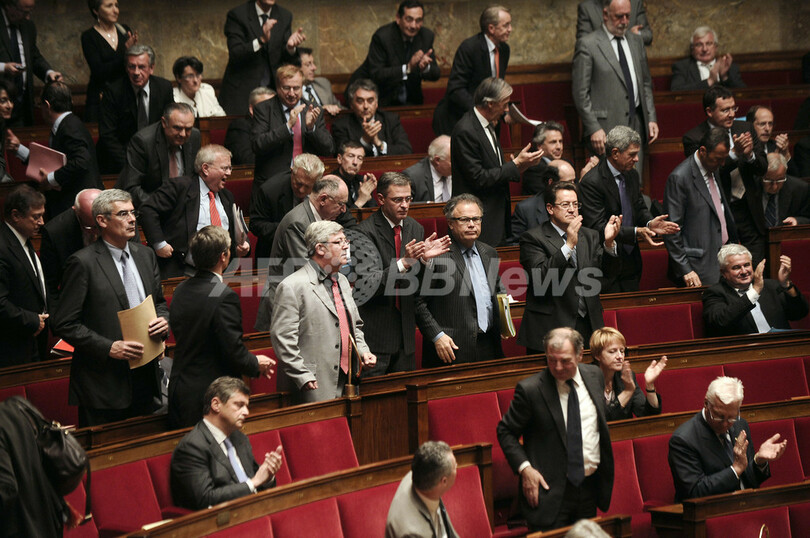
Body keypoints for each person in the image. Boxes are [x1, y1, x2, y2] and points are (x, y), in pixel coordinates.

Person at [52, 189, 169, 427]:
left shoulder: (145, 255)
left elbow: (159, 302)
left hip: (145, 378)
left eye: (133, 213)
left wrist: (164, 320)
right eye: (123, 214)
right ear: (102, 221)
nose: (132, 219)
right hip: (103, 385)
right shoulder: (82, 263)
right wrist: (109, 347)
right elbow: (64, 323)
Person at [497, 328, 614, 532]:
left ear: (580, 354)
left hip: (589, 488)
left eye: (565, 361)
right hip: (549, 494)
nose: (558, 367)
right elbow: (506, 431)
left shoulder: (594, 375)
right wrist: (525, 469)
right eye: (552, 360)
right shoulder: (531, 390)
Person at [168, 227, 276, 428]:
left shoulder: (181, 289)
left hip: (181, 389)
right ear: (223, 257)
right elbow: (233, 350)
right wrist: (255, 362)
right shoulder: (225, 296)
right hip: (211, 394)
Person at [270, 221, 376, 403]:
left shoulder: (342, 281)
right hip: (312, 384)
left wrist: (363, 351)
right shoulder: (292, 286)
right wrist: (302, 374)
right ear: (320, 248)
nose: (346, 246)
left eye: (346, 241)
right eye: (338, 242)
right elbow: (283, 339)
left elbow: (354, 326)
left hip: (349, 379)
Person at [357, 172, 450, 375]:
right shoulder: (364, 232)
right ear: (380, 199)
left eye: (408, 199)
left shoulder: (415, 228)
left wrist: (425, 261)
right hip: (375, 339)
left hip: (406, 337)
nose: (405, 205)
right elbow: (367, 286)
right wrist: (404, 263)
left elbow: (417, 287)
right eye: (397, 200)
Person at [518, 182, 620, 351]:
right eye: (565, 205)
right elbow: (541, 279)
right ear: (550, 208)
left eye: (575, 204)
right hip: (551, 327)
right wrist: (569, 245)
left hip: (589, 324)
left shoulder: (590, 235)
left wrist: (609, 244)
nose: (572, 210)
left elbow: (607, 278)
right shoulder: (533, 238)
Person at [579, 126, 679, 292]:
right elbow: (597, 226)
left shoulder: (632, 174)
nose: (637, 159)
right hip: (605, 263)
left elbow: (639, 206)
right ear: (615, 153)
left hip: (631, 260)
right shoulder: (592, 182)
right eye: (632, 154)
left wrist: (649, 223)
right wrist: (636, 232)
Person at [254, 176, 355, 330]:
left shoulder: (322, 218)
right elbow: (309, 269)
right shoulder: (298, 223)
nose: (344, 210)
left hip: (308, 300)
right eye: (340, 204)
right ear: (323, 199)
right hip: (287, 307)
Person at [451, 77, 544, 246]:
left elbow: (495, 169)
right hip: (479, 221)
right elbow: (479, 178)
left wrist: (522, 166)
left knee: (497, 262)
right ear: (490, 104)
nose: (507, 110)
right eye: (505, 104)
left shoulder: (489, 124)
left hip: (496, 216)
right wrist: (515, 165)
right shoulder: (466, 130)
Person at [416, 194, 504, 367]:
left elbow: (497, 290)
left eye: (476, 219)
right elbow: (417, 303)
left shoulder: (489, 253)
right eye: (464, 219)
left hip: (489, 344)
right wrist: (437, 336)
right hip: (450, 348)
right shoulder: (437, 255)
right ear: (450, 223)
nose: (472, 224)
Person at [170, 376, 284, 510]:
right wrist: (253, 482)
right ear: (216, 405)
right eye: (239, 405)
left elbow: (256, 480)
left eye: (246, 406)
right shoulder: (193, 446)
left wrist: (268, 476)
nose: (246, 412)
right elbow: (204, 499)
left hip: (254, 509)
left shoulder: (239, 438)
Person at [668, 376, 787, 502]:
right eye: (719, 417)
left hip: (747, 504)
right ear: (706, 404)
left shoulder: (740, 424)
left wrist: (759, 461)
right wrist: (735, 470)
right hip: (713, 510)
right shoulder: (683, 440)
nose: (725, 424)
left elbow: (750, 481)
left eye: (731, 417)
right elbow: (694, 493)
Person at [139, 144, 250, 279]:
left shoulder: (227, 196)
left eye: (230, 168)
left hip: (220, 273)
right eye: (224, 168)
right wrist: (159, 244)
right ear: (205, 169)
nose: (229, 173)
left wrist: (244, 245)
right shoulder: (179, 187)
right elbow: (148, 210)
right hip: (183, 271)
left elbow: (237, 228)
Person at [572, 0, 658, 165]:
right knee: (610, 179)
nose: (624, 21)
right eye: (619, 16)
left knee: (635, 179)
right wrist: (594, 127)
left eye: (627, 16)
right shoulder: (588, 44)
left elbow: (645, 83)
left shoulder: (636, 41)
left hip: (636, 125)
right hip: (605, 129)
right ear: (605, 15)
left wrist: (651, 118)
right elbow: (580, 93)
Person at [664, 127, 739, 287]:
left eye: (724, 159)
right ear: (703, 151)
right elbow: (672, 231)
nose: (722, 164)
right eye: (718, 159)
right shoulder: (679, 178)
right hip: (697, 267)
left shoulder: (713, 167)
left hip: (724, 258)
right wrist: (685, 269)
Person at [251, 64, 333, 203]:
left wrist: (311, 128)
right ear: (277, 87)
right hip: (273, 184)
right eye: (286, 88)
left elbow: (328, 148)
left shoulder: (313, 109)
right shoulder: (264, 109)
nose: (292, 93)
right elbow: (258, 145)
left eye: (296, 88)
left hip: (306, 184)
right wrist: (288, 126)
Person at [27, 81, 102, 219]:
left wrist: (50, 178)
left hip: (78, 204)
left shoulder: (69, 127)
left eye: (40, 105)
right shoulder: (69, 123)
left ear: (47, 105)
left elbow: (81, 161)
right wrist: (18, 149)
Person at [432, 5, 511, 135]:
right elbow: (456, 89)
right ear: (491, 28)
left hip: (488, 119)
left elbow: (496, 87)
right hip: (460, 118)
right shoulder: (469, 48)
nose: (510, 29)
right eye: (506, 25)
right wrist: (481, 112)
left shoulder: (504, 50)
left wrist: (503, 112)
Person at [96, 44, 174, 174]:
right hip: (120, 160)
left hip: (154, 159)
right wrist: (129, 165)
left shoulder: (164, 88)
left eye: (141, 67)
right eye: (132, 67)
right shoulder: (113, 91)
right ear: (126, 68)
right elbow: (108, 135)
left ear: (151, 68)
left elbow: (168, 125)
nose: (136, 72)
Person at [219, 0, 304, 116]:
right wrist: (261, 40)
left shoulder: (284, 15)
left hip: (273, 92)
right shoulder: (238, 15)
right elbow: (236, 52)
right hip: (242, 93)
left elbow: (286, 62)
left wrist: (290, 48)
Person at [702, 244, 808, 337]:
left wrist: (786, 285)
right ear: (723, 273)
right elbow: (721, 322)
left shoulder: (771, 286)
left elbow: (799, 313)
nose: (744, 271)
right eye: (736, 267)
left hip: (781, 347)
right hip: (747, 350)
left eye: (747, 265)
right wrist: (755, 291)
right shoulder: (715, 293)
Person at [0, 396, 69, 538]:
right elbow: (50, 463)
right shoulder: (20, 406)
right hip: (47, 518)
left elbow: (6, 488)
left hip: (20, 528)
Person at [348, 0, 439, 107]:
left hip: (411, 102)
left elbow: (436, 74)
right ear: (398, 18)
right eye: (409, 19)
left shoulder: (426, 36)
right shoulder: (383, 37)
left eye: (418, 20)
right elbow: (377, 74)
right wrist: (408, 68)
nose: (414, 26)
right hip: (378, 101)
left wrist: (425, 68)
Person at [115, 102, 201, 208]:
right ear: (164, 123)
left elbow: (195, 178)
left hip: (183, 207)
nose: (183, 134)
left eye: (188, 129)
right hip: (151, 206)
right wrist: (161, 206)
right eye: (177, 128)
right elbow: (132, 189)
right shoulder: (143, 142)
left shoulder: (194, 137)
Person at [0, 185, 47, 367]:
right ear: (16, 216)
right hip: (10, 345)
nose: (41, 222)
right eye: (36, 217)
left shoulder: (23, 239)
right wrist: (32, 320)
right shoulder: (3, 247)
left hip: (31, 340)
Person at [735, 153, 810, 265]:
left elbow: (807, 217)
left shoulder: (800, 188)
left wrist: (797, 221)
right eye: (769, 181)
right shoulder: (749, 187)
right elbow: (741, 222)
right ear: (761, 175)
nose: (774, 186)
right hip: (754, 243)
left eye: (779, 180)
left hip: (786, 245)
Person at [0, 0, 62, 126]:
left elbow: (33, 57)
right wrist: (3, 67)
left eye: (30, 12)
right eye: (24, 12)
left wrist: (48, 72)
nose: (28, 17)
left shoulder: (28, 26)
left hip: (22, 106)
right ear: (8, 6)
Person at [40, 188, 101, 307]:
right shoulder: (55, 232)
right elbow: (50, 283)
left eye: (99, 226)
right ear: (76, 211)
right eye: (90, 227)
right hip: (77, 296)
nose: (96, 232)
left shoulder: (120, 219)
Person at [385, 440, 459, 538]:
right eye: (455, 466)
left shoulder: (422, 472)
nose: (457, 466)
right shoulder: (412, 533)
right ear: (443, 481)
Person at [589, 327, 665, 421]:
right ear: (597, 355)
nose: (620, 356)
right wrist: (628, 392)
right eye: (612, 351)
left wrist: (650, 386)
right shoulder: (587, 379)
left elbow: (648, 415)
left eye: (622, 351)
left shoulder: (626, 376)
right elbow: (601, 420)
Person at [81, 0, 137, 122]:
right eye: (109, 6)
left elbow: (132, 64)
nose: (115, 10)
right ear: (96, 10)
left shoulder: (124, 31)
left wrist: (133, 52)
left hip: (125, 95)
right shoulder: (89, 36)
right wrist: (125, 51)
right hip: (100, 97)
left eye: (116, 5)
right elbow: (99, 71)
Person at [331, 78, 412, 157]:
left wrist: (379, 143)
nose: (366, 106)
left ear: (376, 103)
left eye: (370, 100)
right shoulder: (341, 125)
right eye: (360, 101)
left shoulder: (391, 120)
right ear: (351, 104)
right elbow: (342, 156)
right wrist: (365, 140)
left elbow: (407, 150)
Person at [510, 161, 574, 243]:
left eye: (574, 181)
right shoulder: (526, 209)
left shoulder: (577, 204)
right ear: (551, 182)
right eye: (568, 182)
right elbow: (515, 245)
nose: (573, 186)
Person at [671, 27, 745, 91]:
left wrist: (724, 77)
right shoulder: (682, 67)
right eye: (699, 45)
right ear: (692, 49)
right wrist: (709, 81)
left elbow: (744, 93)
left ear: (716, 47)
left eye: (709, 44)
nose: (705, 49)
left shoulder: (730, 67)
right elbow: (676, 91)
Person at [224, 86, 275, 166]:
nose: (271, 111)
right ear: (252, 109)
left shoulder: (279, 125)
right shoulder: (239, 126)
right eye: (266, 107)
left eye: (274, 107)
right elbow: (247, 159)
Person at [576, 0, 651, 45]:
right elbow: (583, 42)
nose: (624, 21)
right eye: (619, 16)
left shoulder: (636, 3)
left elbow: (648, 35)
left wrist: (635, 35)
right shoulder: (587, 8)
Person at [523, 121, 568, 196]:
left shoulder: (567, 164)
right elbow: (546, 195)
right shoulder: (533, 168)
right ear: (539, 146)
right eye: (553, 142)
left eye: (560, 141)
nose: (559, 147)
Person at [404, 135, 452, 203]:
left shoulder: (460, 171)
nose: (458, 163)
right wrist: (427, 205)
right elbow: (405, 204)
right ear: (437, 160)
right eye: (453, 161)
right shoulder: (412, 177)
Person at [331, 140, 377, 208]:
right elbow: (340, 214)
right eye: (351, 156)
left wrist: (369, 197)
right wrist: (361, 201)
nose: (355, 162)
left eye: (359, 158)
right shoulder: (331, 183)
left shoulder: (362, 181)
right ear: (339, 159)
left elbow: (373, 211)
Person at [297, 47, 341, 115]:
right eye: (308, 64)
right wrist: (321, 109)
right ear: (296, 68)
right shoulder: (292, 91)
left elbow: (341, 108)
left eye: (313, 63)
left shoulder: (324, 84)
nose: (314, 68)